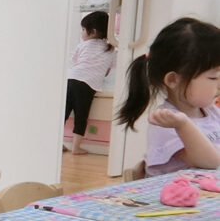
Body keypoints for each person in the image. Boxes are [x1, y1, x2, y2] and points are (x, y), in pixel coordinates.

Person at [117, 17, 220, 176]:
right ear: (173, 80)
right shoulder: (167, 121)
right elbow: (210, 162)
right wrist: (183, 125)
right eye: (213, 78)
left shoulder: (211, 111)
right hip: (173, 191)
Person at [64, 11, 115, 154]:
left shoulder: (83, 45)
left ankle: (56, 144)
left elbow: (74, 62)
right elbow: (107, 70)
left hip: (71, 79)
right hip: (87, 85)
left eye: (83, 30)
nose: (82, 33)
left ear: (92, 32)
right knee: (81, 116)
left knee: (63, 113)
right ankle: (75, 148)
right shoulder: (110, 49)